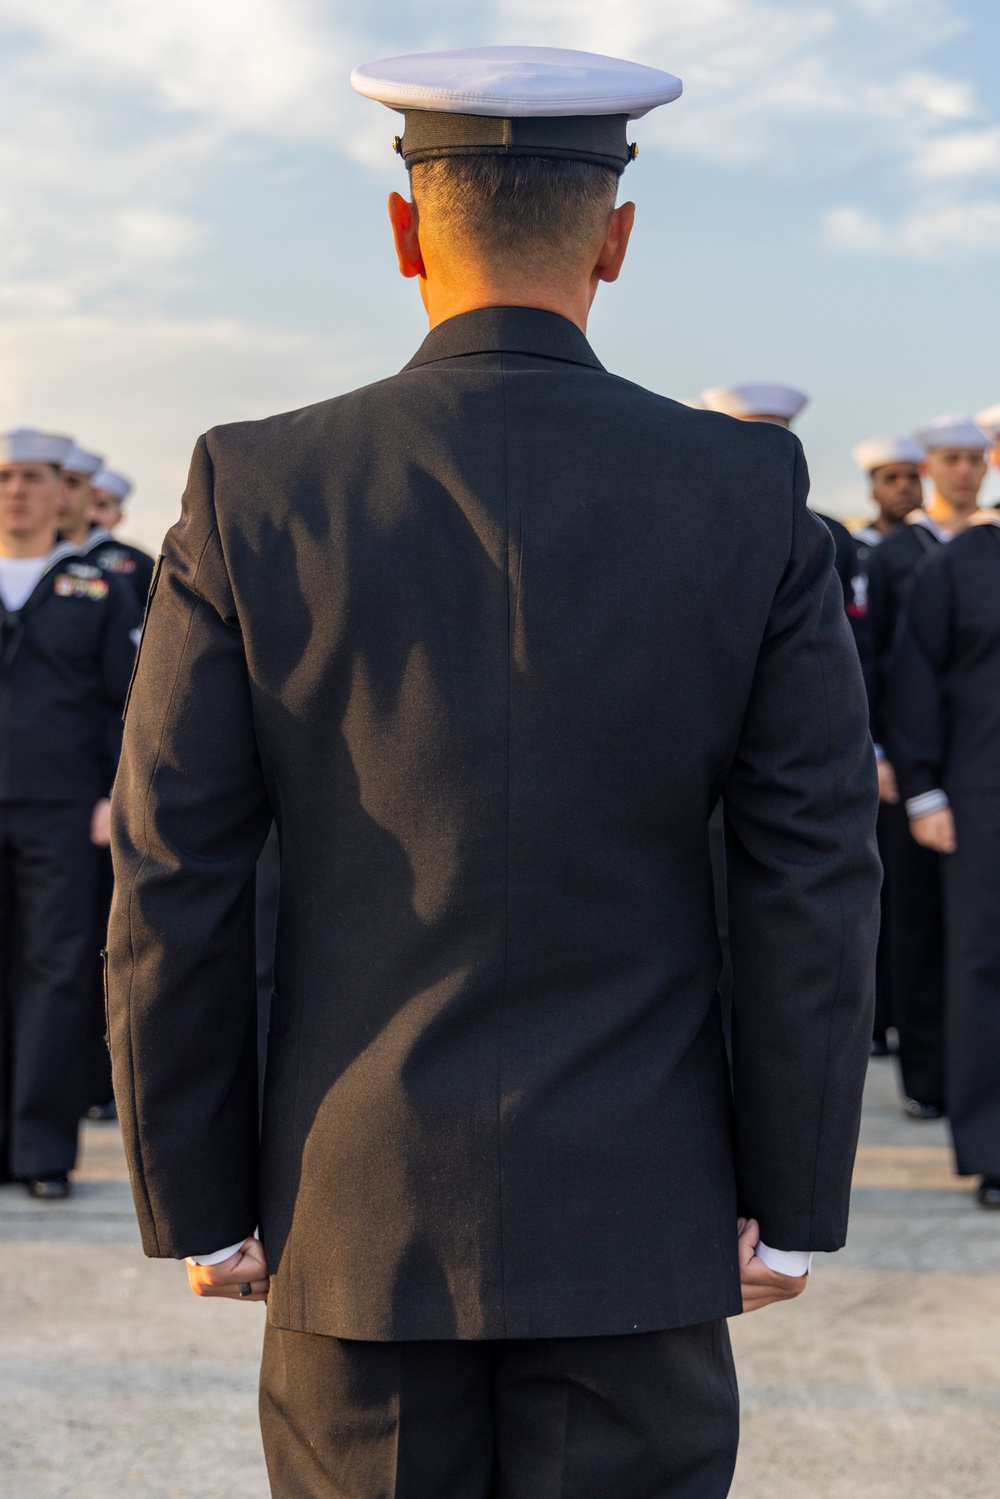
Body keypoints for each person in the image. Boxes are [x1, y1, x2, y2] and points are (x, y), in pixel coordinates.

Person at [107, 45, 879, 1498]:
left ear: (402, 234)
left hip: (355, 1211)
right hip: (641, 1217)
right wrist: (789, 1198)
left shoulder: (254, 485)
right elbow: (813, 869)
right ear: (618, 239)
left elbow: (175, 869)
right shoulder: (748, 492)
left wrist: (203, 1198)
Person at [0, 428, 139, 1197]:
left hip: (62, 809)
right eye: (5, 475)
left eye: (33, 477)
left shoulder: (95, 586)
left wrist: (112, 793)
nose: (16, 490)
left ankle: (41, 1152)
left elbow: (130, 705)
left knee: (56, 975)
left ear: (65, 494)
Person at [861, 414, 990, 1120]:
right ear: (930, 466)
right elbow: (879, 660)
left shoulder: (983, 549)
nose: (965, 471)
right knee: (917, 922)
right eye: (951, 459)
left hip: (975, 759)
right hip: (913, 766)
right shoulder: (896, 554)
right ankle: (929, 1075)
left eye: (976, 459)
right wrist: (885, 756)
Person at [886, 509, 1000, 1208]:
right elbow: (914, 678)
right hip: (983, 798)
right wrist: (924, 789)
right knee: (985, 966)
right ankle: (995, 1147)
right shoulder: (955, 566)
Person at [847, 436, 925, 1053]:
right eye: (891, 478)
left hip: (917, 745)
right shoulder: (859, 550)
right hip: (868, 749)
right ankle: (873, 1022)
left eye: (910, 476)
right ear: (872, 487)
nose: (904, 487)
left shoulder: (928, 552)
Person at [699, 382, 858, 606]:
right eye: (751, 442)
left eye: (779, 443)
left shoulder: (830, 535)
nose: (767, 454)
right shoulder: (695, 529)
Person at [87, 467, 156, 609]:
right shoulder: (48, 552)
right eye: (87, 505)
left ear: (119, 517)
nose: (92, 514)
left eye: (102, 505)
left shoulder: (140, 563)